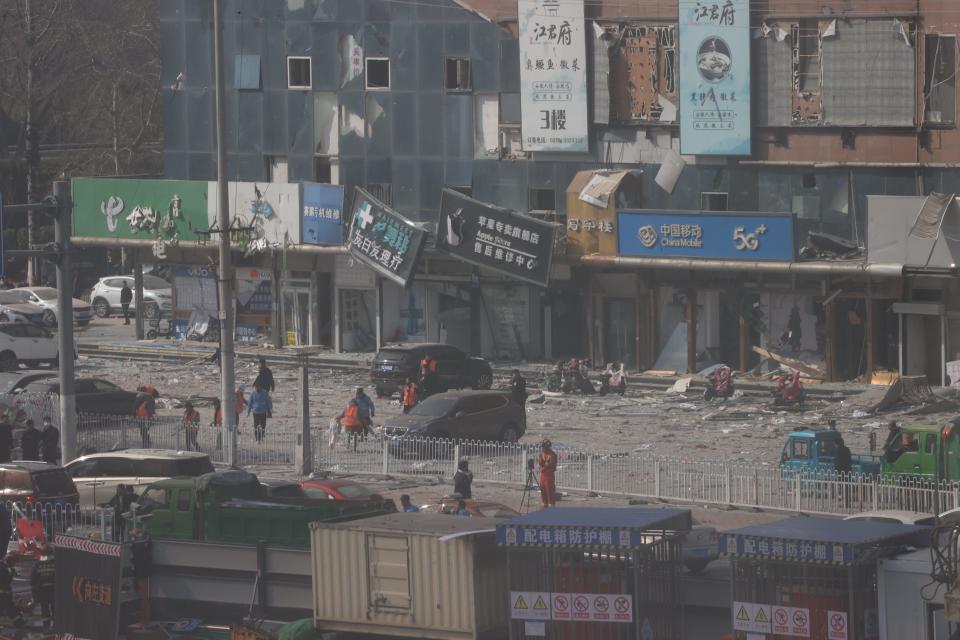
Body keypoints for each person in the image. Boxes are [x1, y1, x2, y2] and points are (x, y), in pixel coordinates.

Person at [30, 545, 55, 627]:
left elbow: (33, 580)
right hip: (53, 590)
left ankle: (46, 627)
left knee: (44, 609)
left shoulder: (38, 564)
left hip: (42, 591)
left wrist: (34, 594)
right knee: (55, 609)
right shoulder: (56, 563)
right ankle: (56, 627)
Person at [0, 555, 23, 627]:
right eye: (14, 562)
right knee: (8, 607)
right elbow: (5, 579)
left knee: (9, 606)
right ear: (10, 561)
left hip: (5, 591)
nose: (15, 564)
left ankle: (18, 621)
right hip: (3, 591)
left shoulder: (7, 567)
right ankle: (18, 621)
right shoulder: (3, 568)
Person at [538, 438, 558, 508]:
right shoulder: (542, 454)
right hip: (543, 476)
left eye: (543, 447)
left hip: (549, 476)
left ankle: (551, 505)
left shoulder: (552, 455)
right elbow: (541, 464)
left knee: (550, 491)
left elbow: (551, 466)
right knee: (543, 490)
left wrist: (544, 467)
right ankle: (544, 503)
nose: (542, 449)